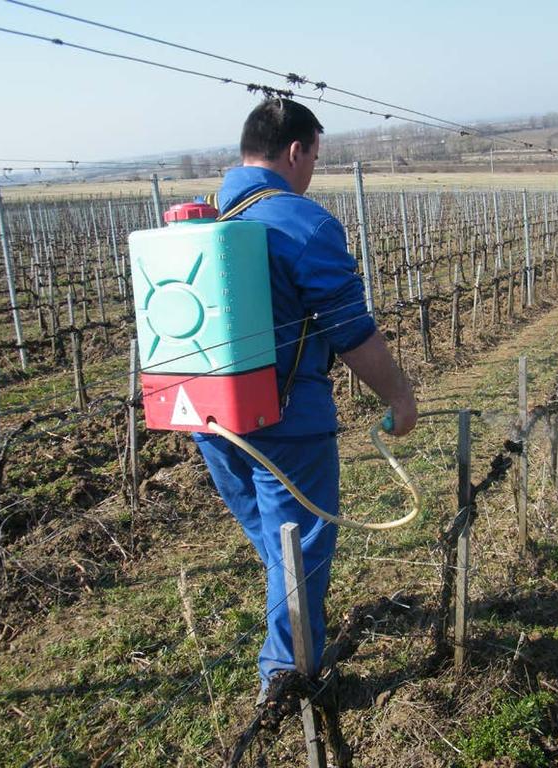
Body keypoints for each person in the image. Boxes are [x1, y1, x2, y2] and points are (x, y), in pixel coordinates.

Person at [192, 98, 417, 697]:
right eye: (315, 156)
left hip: (208, 420)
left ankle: (296, 640)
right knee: (301, 549)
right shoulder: (302, 222)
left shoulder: (206, 220)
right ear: (296, 151)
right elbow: (351, 331)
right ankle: (288, 675)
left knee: (277, 545)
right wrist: (399, 394)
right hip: (288, 424)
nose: (313, 168)